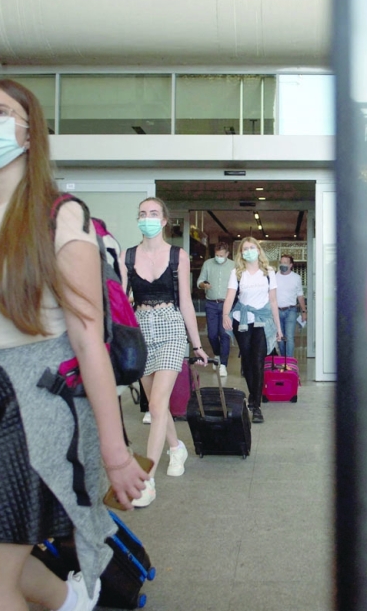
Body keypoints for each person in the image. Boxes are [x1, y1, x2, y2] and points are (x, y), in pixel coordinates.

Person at [0, 79, 149, 611]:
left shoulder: (60, 215)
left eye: (0, 111)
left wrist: (114, 453)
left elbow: (88, 338)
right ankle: (77, 603)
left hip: (34, 407)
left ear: (28, 133)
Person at [124, 196, 209, 508]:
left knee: (157, 404)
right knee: (156, 405)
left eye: (153, 213)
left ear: (163, 221)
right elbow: (122, 300)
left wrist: (196, 344)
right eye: (142, 213)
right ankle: (176, 447)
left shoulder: (178, 255)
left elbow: (186, 302)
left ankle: (146, 480)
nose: (147, 217)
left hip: (171, 328)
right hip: (140, 328)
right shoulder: (127, 255)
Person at [222, 237, 283, 424]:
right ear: (241, 253)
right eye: (245, 248)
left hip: (263, 321)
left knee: (258, 360)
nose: (248, 251)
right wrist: (225, 315)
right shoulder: (237, 273)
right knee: (247, 361)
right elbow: (230, 296)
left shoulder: (269, 272)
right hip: (242, 321)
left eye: (252, 247)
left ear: (258, 250)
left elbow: (273, 301)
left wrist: (278, 328)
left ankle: (255, 405)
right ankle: (253, 395)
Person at [196, 241, 235, 377]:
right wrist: (203, 285)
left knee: (224, 334)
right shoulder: (208, 264)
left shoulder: (233, 266)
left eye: (221, 255)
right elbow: (199, 281)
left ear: (227, 254)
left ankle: (223, 365)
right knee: (212, 334)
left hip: (227, 304)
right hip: (211, 303)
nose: (219, 257)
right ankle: (217, 354)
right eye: (217, 255)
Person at [274, 254, 306, 359]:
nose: (282, 264)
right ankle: (283, 359)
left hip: (291, 310)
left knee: (290, 337)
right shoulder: (274, 276)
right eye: (281, 262)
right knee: (280, 337)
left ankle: (289, 362)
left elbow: (300, 296)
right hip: (277, 311)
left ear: (291, 265)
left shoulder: (296, 278)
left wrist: (304, 311)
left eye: (285, 263)